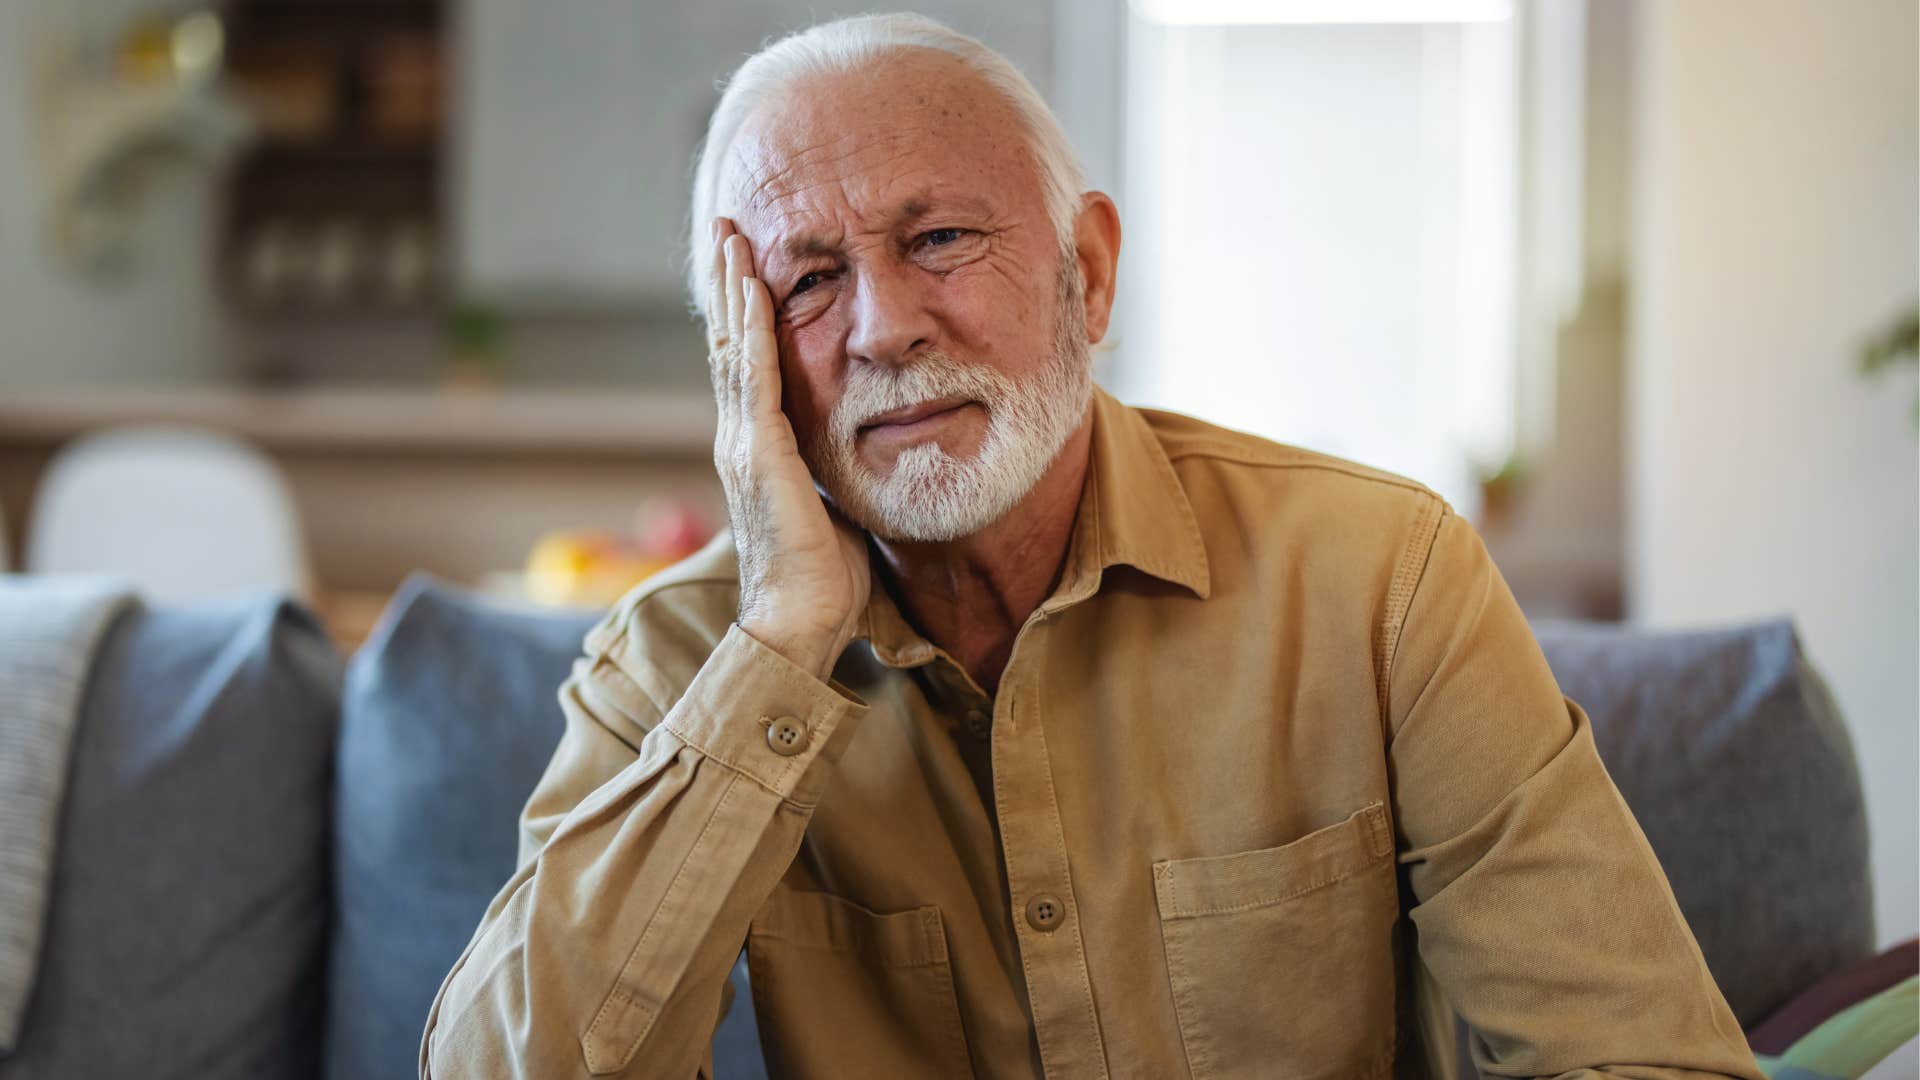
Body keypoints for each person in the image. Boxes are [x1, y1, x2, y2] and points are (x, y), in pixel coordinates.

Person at [421, 13, 1763, 1079]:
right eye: (809, 281)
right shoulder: (677, 658)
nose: (884, 326)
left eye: (941, 239)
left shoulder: (1380, 583)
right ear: (743, 352)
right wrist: (778, 646)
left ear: (1090, 272)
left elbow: (1649, 1061)